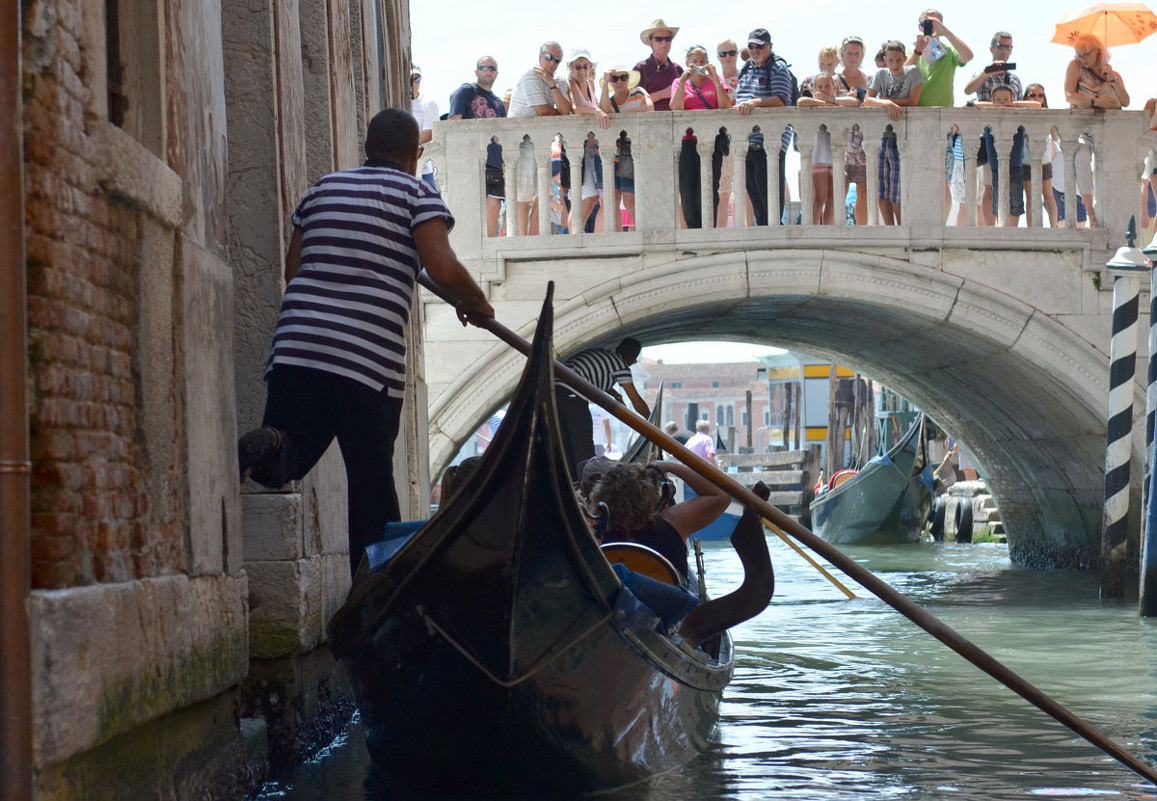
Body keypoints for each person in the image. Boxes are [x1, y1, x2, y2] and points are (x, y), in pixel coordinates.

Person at [237, 108, 495, 577]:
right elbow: (443, 267)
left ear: (368, 146)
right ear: (416, 154)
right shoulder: (417, 193)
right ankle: (375, 593)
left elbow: (294, 271)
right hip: (367, 365)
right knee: (371, 487)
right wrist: (477, 303)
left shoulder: (323, 189)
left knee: (290, 454)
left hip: (298, 347)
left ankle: (270, 443)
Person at [588, 460, 730, 582]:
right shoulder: (673, 522)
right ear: (648, 495)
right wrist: (670, 466)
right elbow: (723, 494)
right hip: (671, 610)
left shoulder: (592, 535)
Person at [555, 339, 650, 476]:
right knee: (584, 442)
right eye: (634, 361)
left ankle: (572, 480)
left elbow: (596, 377)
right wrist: (650, 421)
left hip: (555, 390)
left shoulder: (603, 355)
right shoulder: (621, 367)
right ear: (631, 358)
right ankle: (589, 482)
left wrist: (616, 395)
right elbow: (636, 401)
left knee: (568, 442)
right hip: (572, 392)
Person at [1064, 33, 1129, 229]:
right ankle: (1089, 212)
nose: (1081, 59)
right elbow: (1070, 96)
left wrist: (1113, 81)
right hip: (1084, 130)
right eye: (1078, 54)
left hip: (1109, 133)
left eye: (1085, 55)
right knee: (1081, 158)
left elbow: (1125, 101)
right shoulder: (1075, 66)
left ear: (1097, 52)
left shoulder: (1112, 74)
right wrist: (1096, 101)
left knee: (1109, 170)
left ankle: (1107, 212)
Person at [735, 28, 795, 226]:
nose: (754, 50)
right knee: (756, 196)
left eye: (759, 46)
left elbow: (780, 99)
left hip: (770, 142)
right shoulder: (746, 68)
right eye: (751, 45)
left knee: (770, 196)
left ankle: (774, 234)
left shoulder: (777, 67)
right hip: (746, 141)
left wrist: (754, 103)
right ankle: (764, 230)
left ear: (769, 46)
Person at [963, 32, 1022, 226]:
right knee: (988, 186)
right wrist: (987, 72)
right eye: (1001, 46)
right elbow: (968, 89)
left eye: (1008, 47)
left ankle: (1007, 226)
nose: (1005, 51)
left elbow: (1019, 105)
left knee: (1010, 181)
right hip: (985, 136)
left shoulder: (1013, 80)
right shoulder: (983, 75)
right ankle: (990, 227)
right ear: (992, 48)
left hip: (1008, 137)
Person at [671, 45, 732, 230]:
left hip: (711, 143)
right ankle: (693, 229)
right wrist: (683, 81)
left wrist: (715, 80)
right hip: (687, 143)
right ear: (687, 63)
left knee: (707, 190)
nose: (698, 65)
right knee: (687, 192)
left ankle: (707, 229)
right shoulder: (679, 82)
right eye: (694, 61)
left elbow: (725, 106)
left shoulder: (716, 80)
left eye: (702, 61)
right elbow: (676, 107)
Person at [448, 57, 506, 237]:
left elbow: (504, 135)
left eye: (492, 68)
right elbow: (453, 123)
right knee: (469, 213)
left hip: (495, 163)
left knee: (493, 211)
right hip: (471, 162)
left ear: (496, 73)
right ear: (476, 71)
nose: (488, 71)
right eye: (483, 67)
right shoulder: (467, 90)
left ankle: (488, 255)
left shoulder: (498, 102)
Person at [866, 41, 922, 225]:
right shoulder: (881, 74)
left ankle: (901, 226)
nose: (895, 64)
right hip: (882, 136)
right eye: (891, 60)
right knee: (882, 187)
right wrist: (887, 104)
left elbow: (913, 101)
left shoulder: (913, 72)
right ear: (885, 60)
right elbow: (868, 100)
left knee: (897, 189)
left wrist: (884, 100)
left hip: (902, 137)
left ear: (905, 59)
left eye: (899, 60)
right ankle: (890, 228)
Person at [797, 72, 858, 225]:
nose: (824, 89)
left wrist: (832, 100)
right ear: (814, 88)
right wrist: (824, 103)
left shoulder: (839, 101)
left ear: (834, 87)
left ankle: (827, 228)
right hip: (819, 152)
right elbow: (801, 102)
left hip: (836, 152)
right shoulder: (812, 102)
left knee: (832, 197)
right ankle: (812, 231)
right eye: (820, 87)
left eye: (827, 86)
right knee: (819, 197)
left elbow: (855, 102)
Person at [976, 84, 1039, 227]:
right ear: (992, 101)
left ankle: (1013, 231)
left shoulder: (1017, 115)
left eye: (1006, 99)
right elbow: (975, 105)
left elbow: (1037, 105)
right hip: (996, 168)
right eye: (998, 99)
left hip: (1016, 166)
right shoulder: (989, 118)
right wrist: (994, 106)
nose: (1003, 102)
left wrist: (1014, 104)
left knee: (1016, 202)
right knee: (999, 201)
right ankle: (1003, 229)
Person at [835, 36, 871, 225]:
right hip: (841, 138)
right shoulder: (834, 80)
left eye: (857, 53)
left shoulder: (869, 79)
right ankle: (839, 227)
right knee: (841, 185)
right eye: (850, 53)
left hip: (863, 138)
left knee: (864, 189)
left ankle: (862, 229)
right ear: (843, 54)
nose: (853, 57)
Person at [909, 9, 973, 107]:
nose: (930, 26)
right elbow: (903, 74)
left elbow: (968, 56)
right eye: (925, 23)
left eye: (935, 23)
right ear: (919, 27)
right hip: (918, 111)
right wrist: (917, 51)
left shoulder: (949, 51)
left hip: (945, 112)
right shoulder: (911, 51)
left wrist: (947, 33)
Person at [1023, 84, 1060, 229]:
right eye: (1032, 95)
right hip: (1026, 159)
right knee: (1031, 197)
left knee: (1048, 195)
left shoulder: (1047, 114)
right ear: (1026, 97)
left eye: (1040, 95)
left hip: (1044, 159)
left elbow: (1055, 137)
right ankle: (1032, 229)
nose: (1037, 98)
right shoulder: (1021, 113)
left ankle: (1053, 227)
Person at [635, 19, 683, 111]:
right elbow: (633, 103)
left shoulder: (678, 69)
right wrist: (663, 94)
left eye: (668, 39)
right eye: (659, 39)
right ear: (650, 42)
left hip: (678, 123)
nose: (664, 43)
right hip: (651, 123)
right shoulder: (641, 68)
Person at [409, 65, 439, 189]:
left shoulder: (428, 103)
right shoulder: (397, 100)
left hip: (423, 166)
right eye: (410, 78)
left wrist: (406, 150)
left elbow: (427, 134)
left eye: (417, 78)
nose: (413, 82)